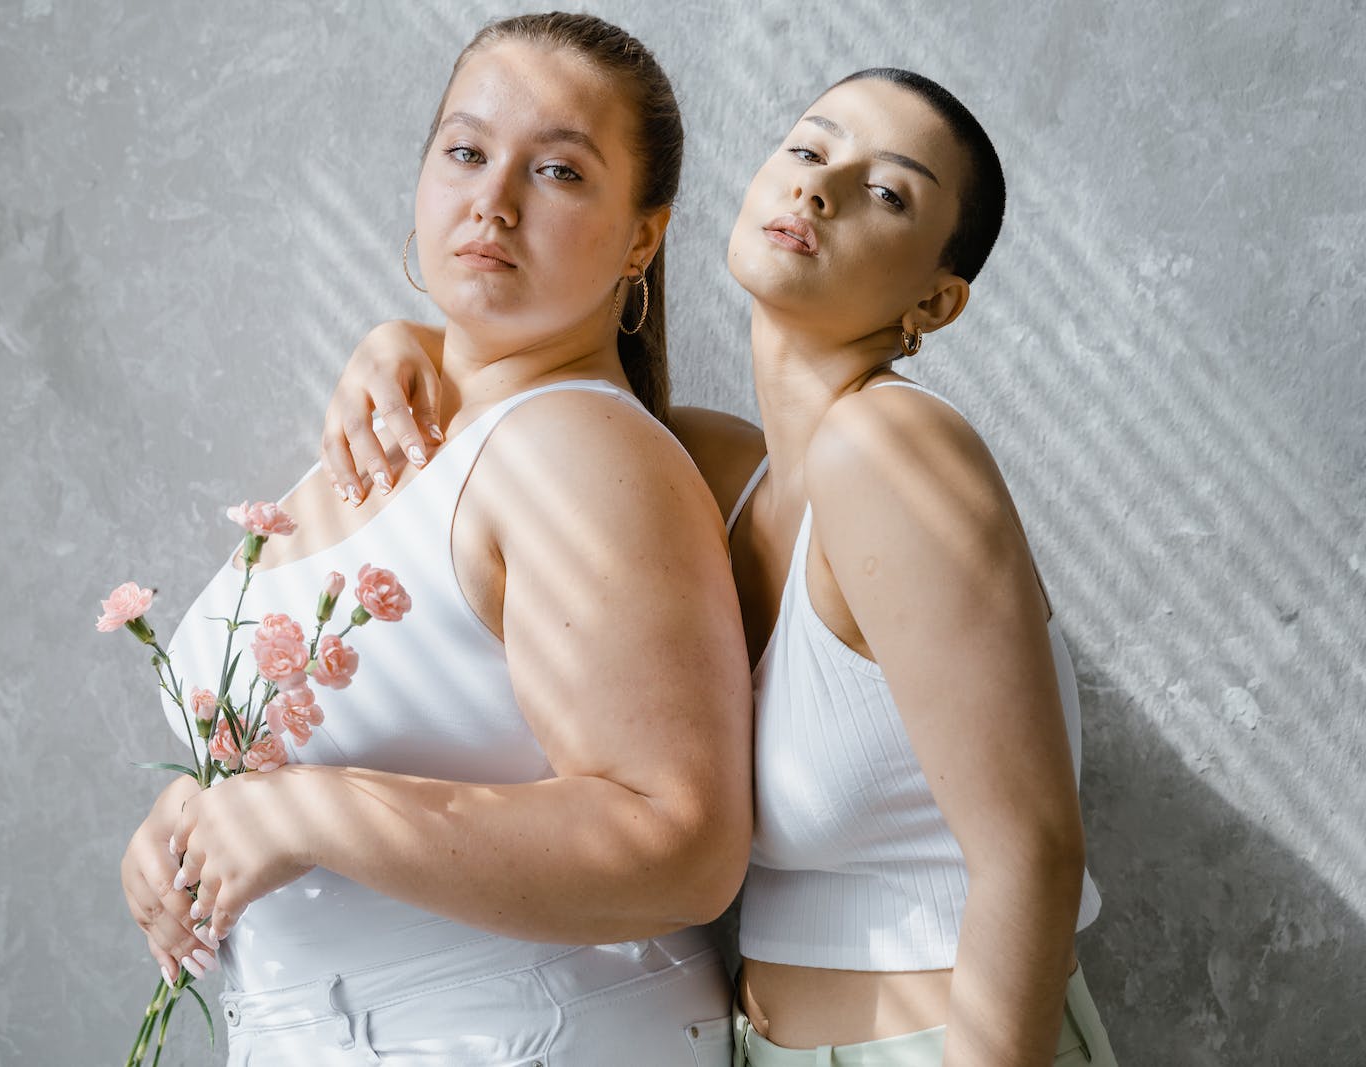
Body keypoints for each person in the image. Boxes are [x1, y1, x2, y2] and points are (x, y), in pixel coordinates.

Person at [319, 68, 1118, 1066]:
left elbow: (1031, 854)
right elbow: (550, 404)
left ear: (937, 300)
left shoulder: (892, 447)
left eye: (886, 192)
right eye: (809, 149)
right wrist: (405, 344)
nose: (818, 189)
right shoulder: (716, 467)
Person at [117, 13, 752, 1065]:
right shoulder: (384, 433)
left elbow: (681, 845)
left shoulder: (574, 447)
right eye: (465, 152)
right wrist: (195, 818)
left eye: (556, 171)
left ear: (642, 236)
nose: (491, 200)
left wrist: (314, 810)